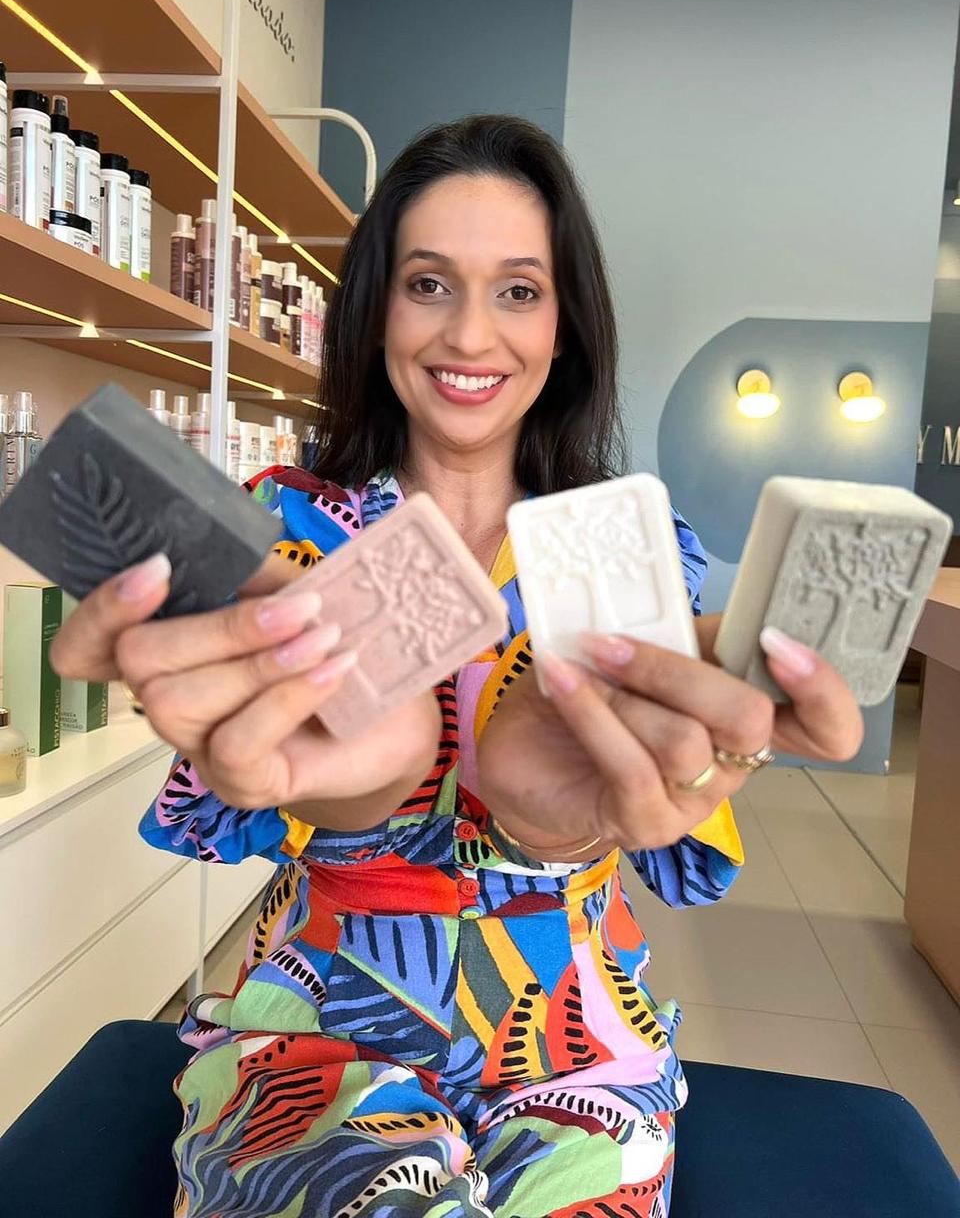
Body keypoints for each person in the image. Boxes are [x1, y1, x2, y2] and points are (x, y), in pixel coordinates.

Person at [53, 116, 863, 1218]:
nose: (471, 333)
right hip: (318, 1019)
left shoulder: (626, 548)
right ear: (376, 308)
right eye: (429, 283)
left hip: (579, 1041)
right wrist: (355, 780)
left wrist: (572, 819)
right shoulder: (277, 531)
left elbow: (661, 821)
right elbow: (250, 796)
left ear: (565, 325)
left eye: (519, 290)